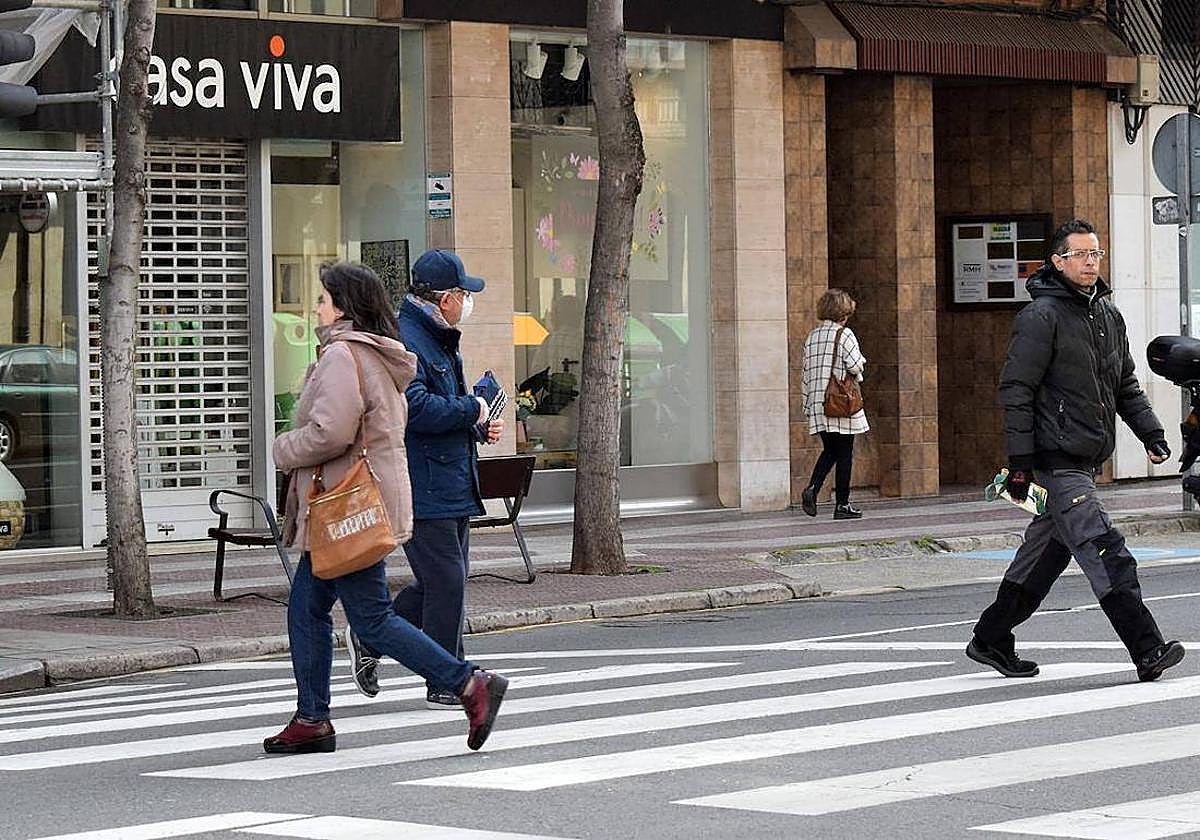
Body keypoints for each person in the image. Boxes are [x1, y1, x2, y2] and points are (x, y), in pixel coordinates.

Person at [265, 261, 507, 755]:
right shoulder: (380, 352)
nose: (317, 308)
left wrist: (282, 448)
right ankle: (311, 718)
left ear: (343, 306)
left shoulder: (344, 354)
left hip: (346, 506)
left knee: (371, 618)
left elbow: (331, 432)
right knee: (308, 608)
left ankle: (467, 683)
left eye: (323, 299)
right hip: (361, 502)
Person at [968, 218, 1185, 683]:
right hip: (1055, 459)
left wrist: (1151, 434)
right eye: (1080, 255)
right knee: (1106, 549)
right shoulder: (1041, 317)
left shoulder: (1107, 315)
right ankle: (1147, 649)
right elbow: (1017, 390)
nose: (1090, 262)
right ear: (1058, 261)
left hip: (1083, 458)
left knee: (1044, 556)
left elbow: (1124, 383)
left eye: (1096, 254)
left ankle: (990, 637)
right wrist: (1020, 464)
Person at [345, 249, 501, 710]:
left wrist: (477, 424)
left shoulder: (438, 336)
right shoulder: (408, 338)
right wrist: (471, 409)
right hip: (421, 479)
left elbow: (444, 401)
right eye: (464, 294)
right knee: (447, 581)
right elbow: (412, 408)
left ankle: (371, 634)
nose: (468, 302)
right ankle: (448, 677)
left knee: (445, 581)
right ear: (446, 298)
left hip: (450, 477)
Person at [799, 288, 868, 520]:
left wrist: (807, 405)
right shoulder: (845, 334)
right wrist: (861, 363)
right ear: (844, 312)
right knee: (845, 452)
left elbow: (805, 374)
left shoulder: (812, 337)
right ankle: (842, 505)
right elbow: (855, 366)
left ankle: (812, 488)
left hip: (818, 403)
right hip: (840, 403)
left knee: (830, 449)